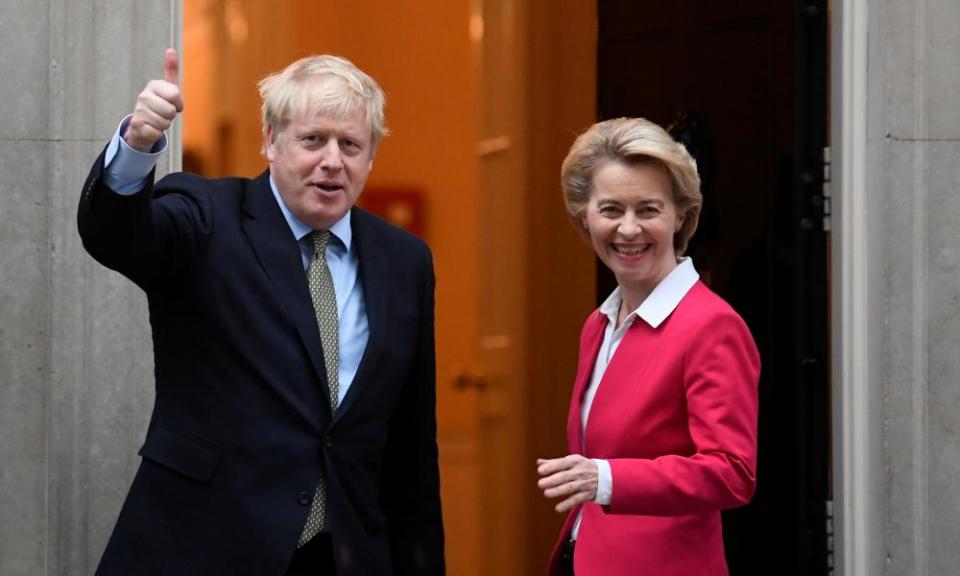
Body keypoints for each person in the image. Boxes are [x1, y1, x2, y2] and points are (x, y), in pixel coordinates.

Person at [78, 49, 444, 576]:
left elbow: (411, 450)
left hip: (342, 555)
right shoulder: (207, 218)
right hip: (202, 547)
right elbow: (118, 237)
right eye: (313, 139)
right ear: (270, 141)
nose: (332, 161)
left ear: (372, 157)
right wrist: (136, 148)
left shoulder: (404, 260)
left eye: (351, 145)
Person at [536, 117, 760, 576]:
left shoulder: (711, 325)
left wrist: (607, 479)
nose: (629, 229)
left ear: (681, 214)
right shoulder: (597, 324)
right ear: (585, 216)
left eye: (649, 210)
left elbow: (732, 472)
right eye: (612, 209)